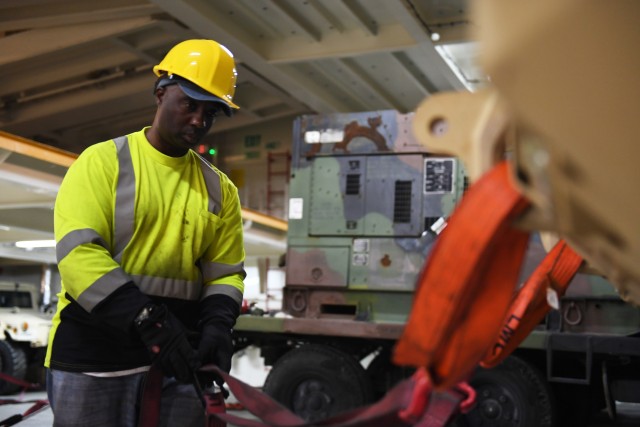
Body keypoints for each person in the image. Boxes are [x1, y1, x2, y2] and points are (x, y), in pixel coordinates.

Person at [44, 39, 246, 427]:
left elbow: (225, 274)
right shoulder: (102, 162)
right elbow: (79, 256)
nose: (199, 120)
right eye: (190, 103)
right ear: (160, 93)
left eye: (211, 112)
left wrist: (218, 325)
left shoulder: (221, 190)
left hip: (178, 360)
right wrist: (147, 320)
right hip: (95, 359)